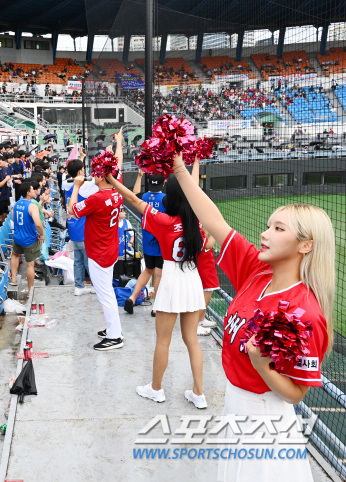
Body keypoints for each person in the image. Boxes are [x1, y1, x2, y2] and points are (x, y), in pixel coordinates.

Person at [169, 152, 333, 480]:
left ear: (305, 246)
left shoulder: (305, 312)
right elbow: (213, 219)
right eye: (268, 225)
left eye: (278, 228)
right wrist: (178, 169)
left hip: (266, 423)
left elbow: (296, 393)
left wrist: (263, 367)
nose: (265, 234)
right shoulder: (257, 271)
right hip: (235, 409)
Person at [107, 161, 207, 407]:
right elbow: (193, 188)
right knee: (192, 340)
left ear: (169, 196)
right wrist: (191, 162)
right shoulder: (197, 222)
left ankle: (156, 389)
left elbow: (132, 198)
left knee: (163, 340)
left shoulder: (163, 220)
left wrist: (111, 178)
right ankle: (199, 393)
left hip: (172, 278)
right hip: (192, 278)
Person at [67, 143, 124, 351]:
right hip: (109, 248)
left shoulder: (98, 198)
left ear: (102, 176)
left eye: (96, 173)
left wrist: (76, 186)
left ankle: (115, 336)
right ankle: (112, 328)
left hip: (100, 252)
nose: (93, 175)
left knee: (105, 294)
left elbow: (73, 210)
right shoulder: (116, 193)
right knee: (107, 291)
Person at [124, 170, 167, 315]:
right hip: (161, 242)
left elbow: (134, 195)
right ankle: (156, 307)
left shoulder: (144, 197)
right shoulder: (166, 199)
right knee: (159, 273)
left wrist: (139, 176)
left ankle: (132, 297)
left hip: (148, 242)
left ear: (148, 182)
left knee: (148, 269)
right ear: (164, 183)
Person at [62, 153, 98, 296]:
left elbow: (75, 175)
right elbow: (95, 181)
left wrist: (81, 159)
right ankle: (96, 286)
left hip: (73, 229)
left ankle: (79, 286)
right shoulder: (86, 187)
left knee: (78, 260)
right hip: (84, 230)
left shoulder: (66, 182)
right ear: (80, 172)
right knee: (89, 261)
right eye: (83, 169)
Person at [10, 181, 44, 296]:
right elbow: (38, 224)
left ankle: (13, 279)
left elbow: (14, 219)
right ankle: (30, 290)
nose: (35, 191)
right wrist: (42, 234)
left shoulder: (17, 204)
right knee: (30, 265)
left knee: (15, 255)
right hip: (29, 239)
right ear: (28, 193)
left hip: (18, 237)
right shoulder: (32, 206)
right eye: (32, 189)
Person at [196, 228, 220, 336]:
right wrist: (215, 230)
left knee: (206, 295)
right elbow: (208, 244)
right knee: (205, 296)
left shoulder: (197, 225)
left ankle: (201, 320)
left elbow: (204, 234)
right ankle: (195, 325)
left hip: (205, 263)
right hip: (203, 265)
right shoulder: (194, 224)